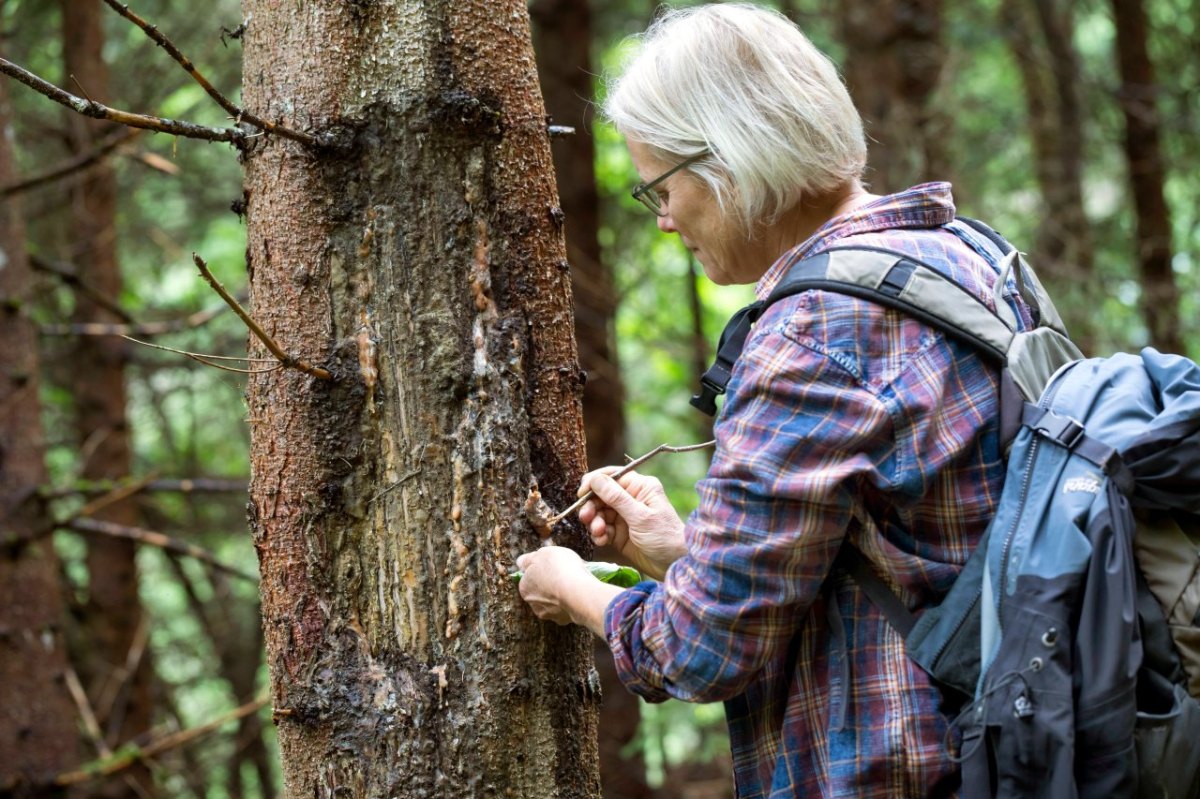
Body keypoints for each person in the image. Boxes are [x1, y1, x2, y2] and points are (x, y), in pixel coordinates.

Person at [516, 4, 1032, 797]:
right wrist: (673, 551)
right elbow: (908, 555)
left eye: (659, 185)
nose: (660, 219)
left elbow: (700, 649)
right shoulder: (967, 257)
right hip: (1022, 750)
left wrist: (573, 588)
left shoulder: (815, 330)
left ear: (729, 158)